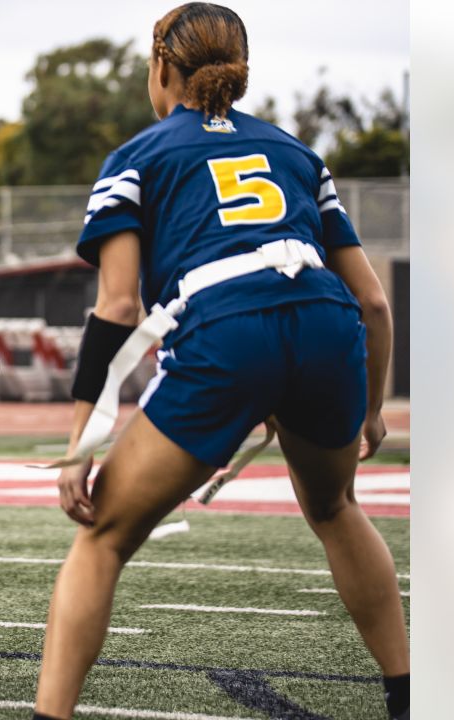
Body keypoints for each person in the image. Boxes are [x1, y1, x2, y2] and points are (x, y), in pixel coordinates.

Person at [30, 5, 410, 720]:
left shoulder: (137, 158)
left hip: (226, 328)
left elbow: (116, 309)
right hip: (328, 324)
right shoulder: (298, 154)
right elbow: (375, 303)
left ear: (160, 66)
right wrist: (370, 409)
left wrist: (81, 446)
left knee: (103, 536)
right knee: (335, 508)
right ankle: (410, 695)